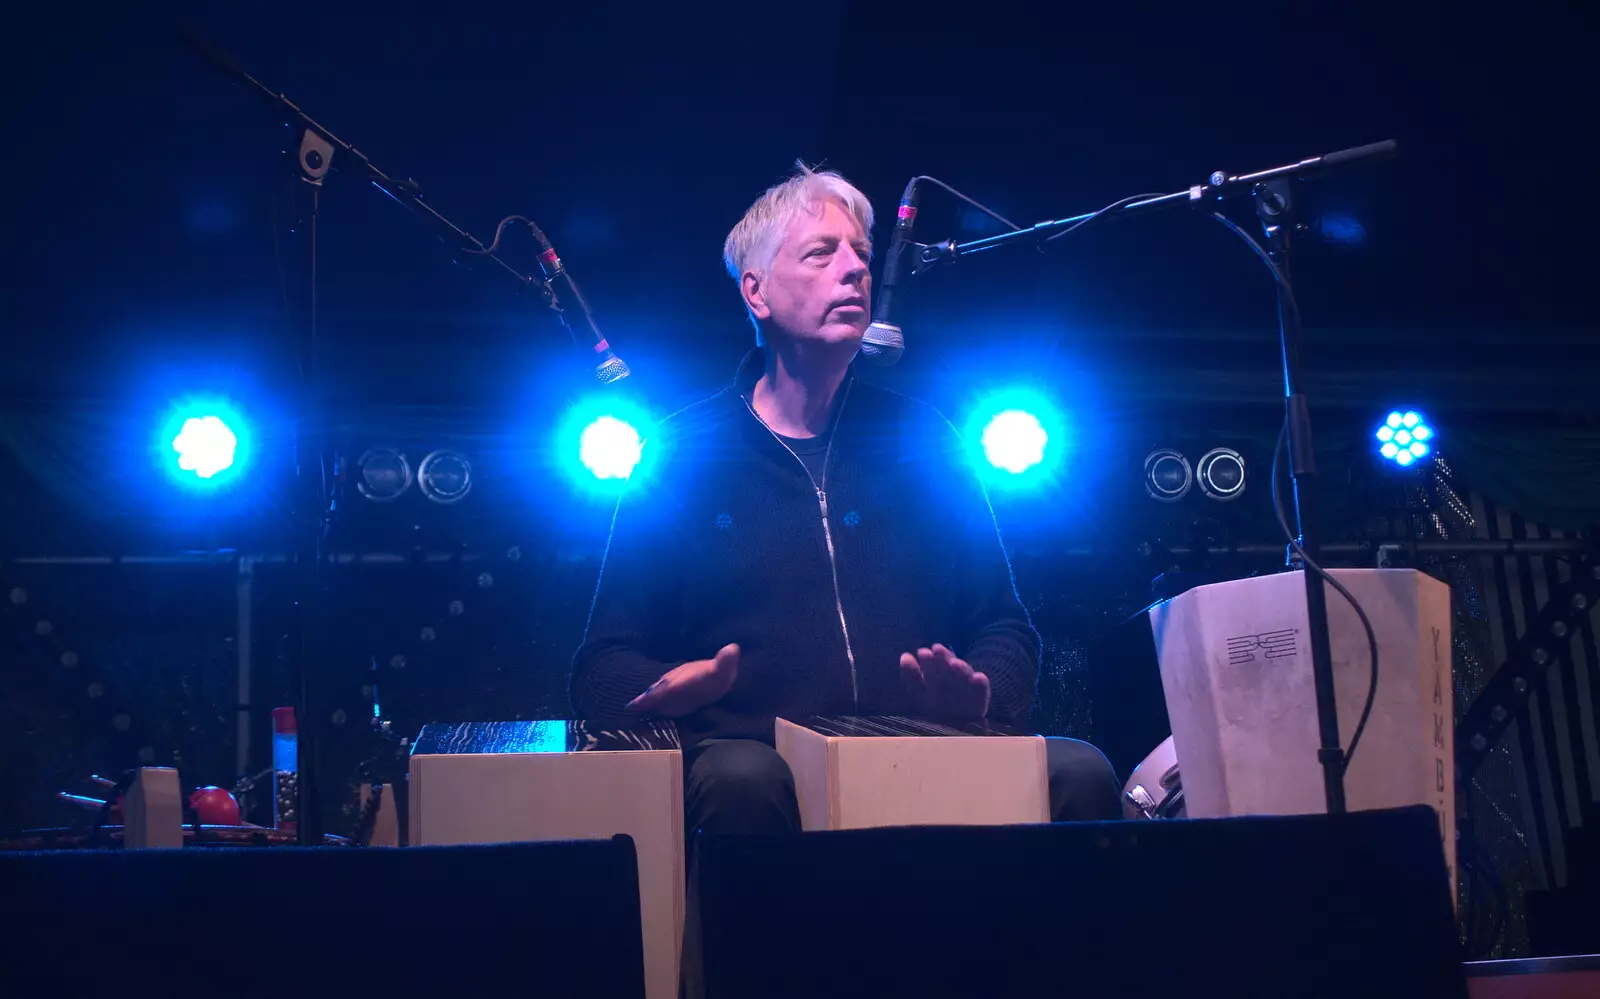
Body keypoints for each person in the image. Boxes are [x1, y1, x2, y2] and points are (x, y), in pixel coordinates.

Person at [570, 164, 1121, 847]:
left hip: (921, 744)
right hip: (759, 759)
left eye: (861, 253)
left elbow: (1005, 624)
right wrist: (664, 687)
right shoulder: (683, 453)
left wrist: (986, 696)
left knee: (1081, 770)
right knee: (743, 779)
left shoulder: (922, 438)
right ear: (757, 291)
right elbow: (602, 663)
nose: (855, 270)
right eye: (821, 252)